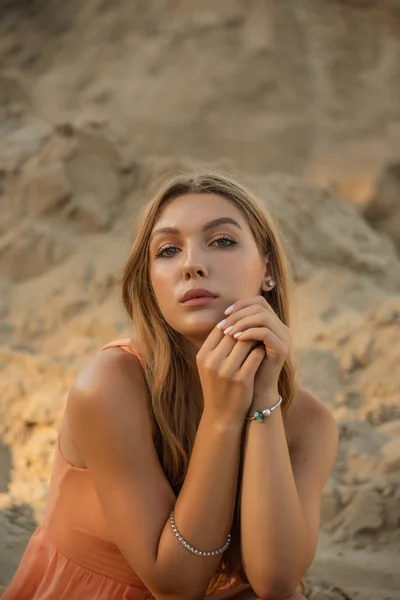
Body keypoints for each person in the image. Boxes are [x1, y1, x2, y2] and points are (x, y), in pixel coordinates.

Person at [3, 169, 339, 600]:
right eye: (167, 250)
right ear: (150, 281)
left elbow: (275, 583)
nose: (191, 264)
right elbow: (175, 585)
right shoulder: (110, 385)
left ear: (267, 268)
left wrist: (262, 401)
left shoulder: (309, 423)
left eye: (221, 241)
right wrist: (220, 417)